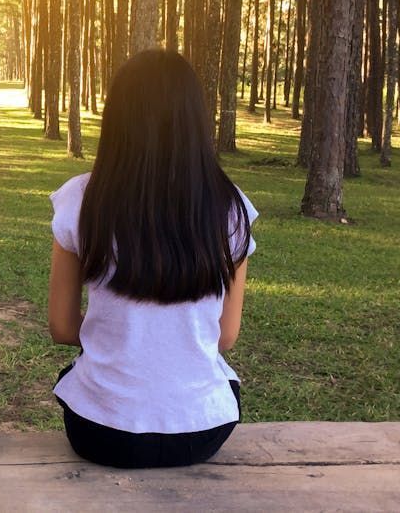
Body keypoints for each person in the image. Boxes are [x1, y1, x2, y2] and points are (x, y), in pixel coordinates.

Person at [46, 49, 258, 469]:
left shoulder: (80, 200)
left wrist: (118, 341)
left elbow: (62, 327)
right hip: (201, 431)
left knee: (74, 379)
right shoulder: (232, 209)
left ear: (117, 122)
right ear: (196, 124)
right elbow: (226, 336)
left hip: (101, 431)